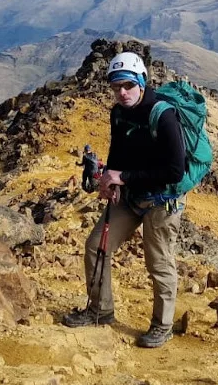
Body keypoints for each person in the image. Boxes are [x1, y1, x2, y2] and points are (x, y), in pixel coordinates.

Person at [62, 52, 187, 348]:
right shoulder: (118, 113)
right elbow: (118, 152)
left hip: (162, 200)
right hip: (131, 196)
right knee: (97, 246)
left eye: (128, 86)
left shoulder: (163, 115)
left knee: (158, 263)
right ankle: (100, 310)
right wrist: (108, 180)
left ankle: (162, 325)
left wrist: (125, 177)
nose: (122, 92)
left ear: (142, 82)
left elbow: (174, 171)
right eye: (116, 87)